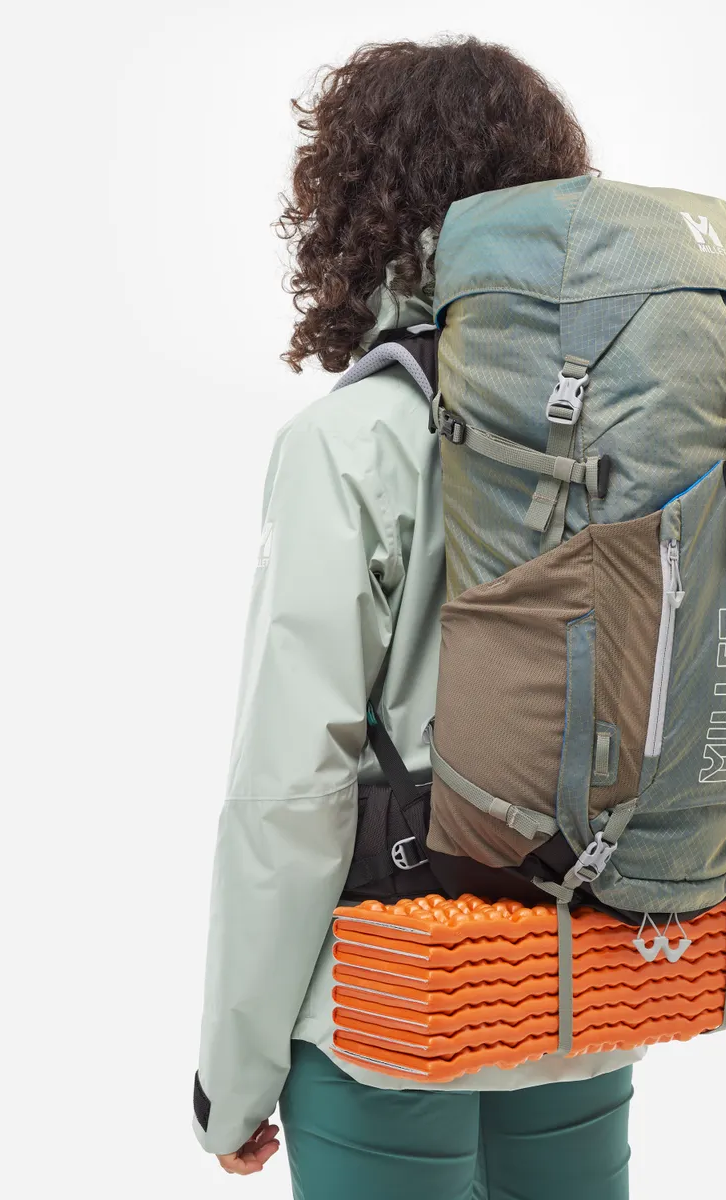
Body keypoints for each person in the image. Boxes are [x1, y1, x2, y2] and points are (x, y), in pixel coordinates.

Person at [193, 37, 639, 1199]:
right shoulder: (628, 430)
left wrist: (232, 1082)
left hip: (389, 1010)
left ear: (354, 213)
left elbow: (290, 792)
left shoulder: (351, 443)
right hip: (582, 995)